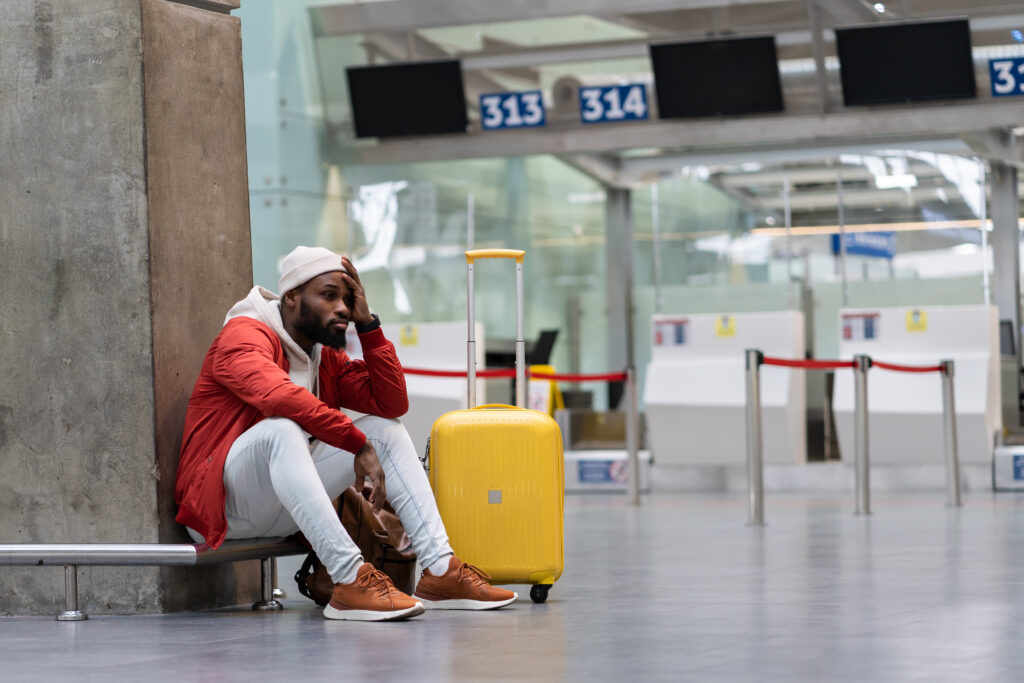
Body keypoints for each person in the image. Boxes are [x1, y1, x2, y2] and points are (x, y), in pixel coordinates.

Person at [174, 246, 517, 621]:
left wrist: (369, 324)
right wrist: (355, 443)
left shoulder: (323, 356)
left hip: (284, 507)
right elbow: (278, 396)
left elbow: (390, 402)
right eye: (329, 296)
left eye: (347, 299)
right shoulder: (242, 336)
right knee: (282, 429)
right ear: (291, 297)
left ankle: (439, 570)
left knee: (384, 430)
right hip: (224, 507)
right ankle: (350, 578)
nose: (342, 308)